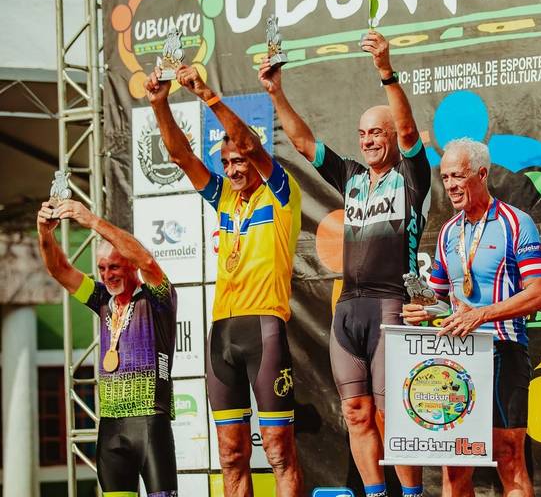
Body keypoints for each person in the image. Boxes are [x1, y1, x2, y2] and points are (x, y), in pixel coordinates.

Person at [259, 31, 430, 497]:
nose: (369, 140)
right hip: (348, 309)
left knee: (392, 414)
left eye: (377, 132)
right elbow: (302, 142)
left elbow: (410, 133)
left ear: (392, 137)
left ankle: (411, 495)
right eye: (363, 134)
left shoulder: (411, 177)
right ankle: (376, 493)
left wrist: (386, 72)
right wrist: (275, 92)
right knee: (356, 413)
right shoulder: (352, 176)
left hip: (391, 305)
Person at [144, 65, 303, 497]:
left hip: (264, 327)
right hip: (222, 334)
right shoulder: (224, 197)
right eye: (227, 162)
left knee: (279, 451)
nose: (233, 169)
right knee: (231, 455)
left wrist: (207, 95)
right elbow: (181, 157)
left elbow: (249, 142)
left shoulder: (280, 191)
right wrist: (160, 104)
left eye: (240, 161)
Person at [403, 138, 541, 497]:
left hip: (503, 349)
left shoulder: (516, 223)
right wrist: (422, 310)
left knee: (508, 456)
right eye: (445, 177)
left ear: (482, 175)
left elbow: (538, 294)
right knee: (454, 463)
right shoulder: (448, 232)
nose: (450, 185)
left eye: (458, 176)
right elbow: (438, 299)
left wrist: (481, 315)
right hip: (458, 358)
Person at [37, 199, 178, 497]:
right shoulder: (102, 299)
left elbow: (148, 262)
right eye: (101, 268)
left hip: (150, 422)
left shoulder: (157, 298)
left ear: (130, 264)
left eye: (114, 266)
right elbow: (59, 269)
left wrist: (92, 221)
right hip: (111, 427)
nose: (107, 274)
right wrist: (44, 232)